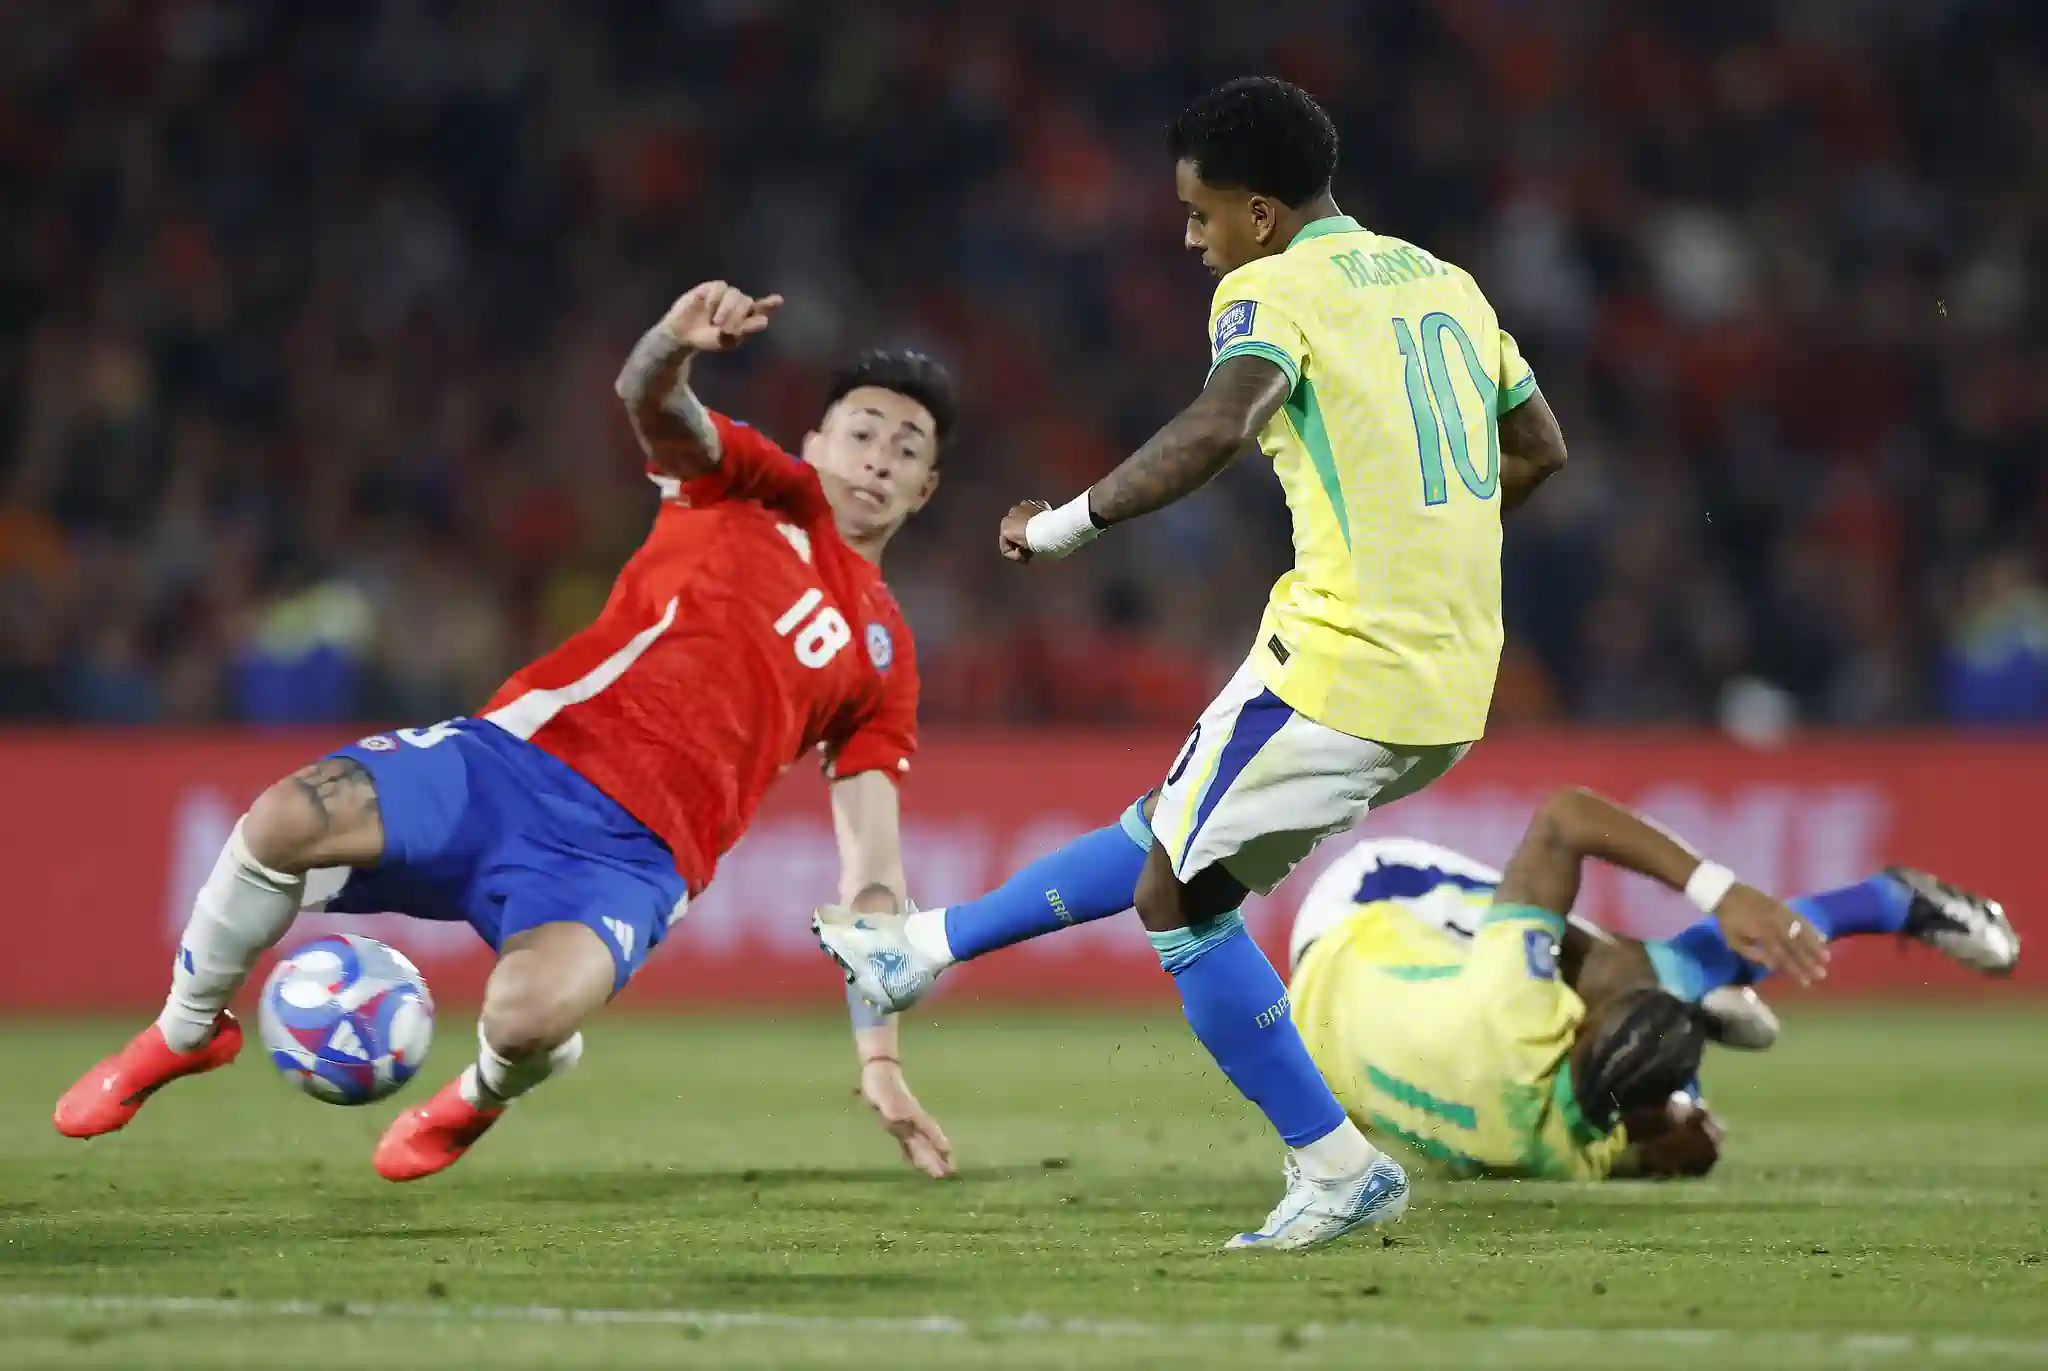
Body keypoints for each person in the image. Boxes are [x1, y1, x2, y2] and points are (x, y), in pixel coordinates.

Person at [820, 75, 1570, 1249]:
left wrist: (1058, 525)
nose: (1189, 236)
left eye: (1200, 214)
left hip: (1341, 658)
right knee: (1171, 822)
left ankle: (1332, 1165)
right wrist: (1433, 539)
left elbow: (1222, 423)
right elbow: (1537, 445)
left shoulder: (1270, 287)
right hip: (1448, 670)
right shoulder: (1446, 283)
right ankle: (922, 949)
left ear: (1260, 216)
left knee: (1175, 892)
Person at [55, 282, 959, 1183]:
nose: (879, 457)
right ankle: (183, 1031)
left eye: (905, 448)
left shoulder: (887, 660)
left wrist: (880, 1062)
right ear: (816, 442)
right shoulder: (756, 486)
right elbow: (650, 398)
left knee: (527, 1016)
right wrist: (671, 341)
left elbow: (873, 876)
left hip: (634, 861)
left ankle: (484, 1090)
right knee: (284, 819)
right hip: (514, 761)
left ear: (927, 486)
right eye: (863, 431)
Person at [1283, 789, 2017, 1180]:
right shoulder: (1559, 1159)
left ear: (1579, 1026)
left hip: (1363, 913)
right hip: (1314, 1042)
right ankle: (1699, 982)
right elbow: (1659, 1144)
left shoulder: (1519, 1013)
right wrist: (1681, 1125)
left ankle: (1881, 903)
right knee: (1632, 983)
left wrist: (1720, 892)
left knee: (1633, 971)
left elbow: (1566, 816)